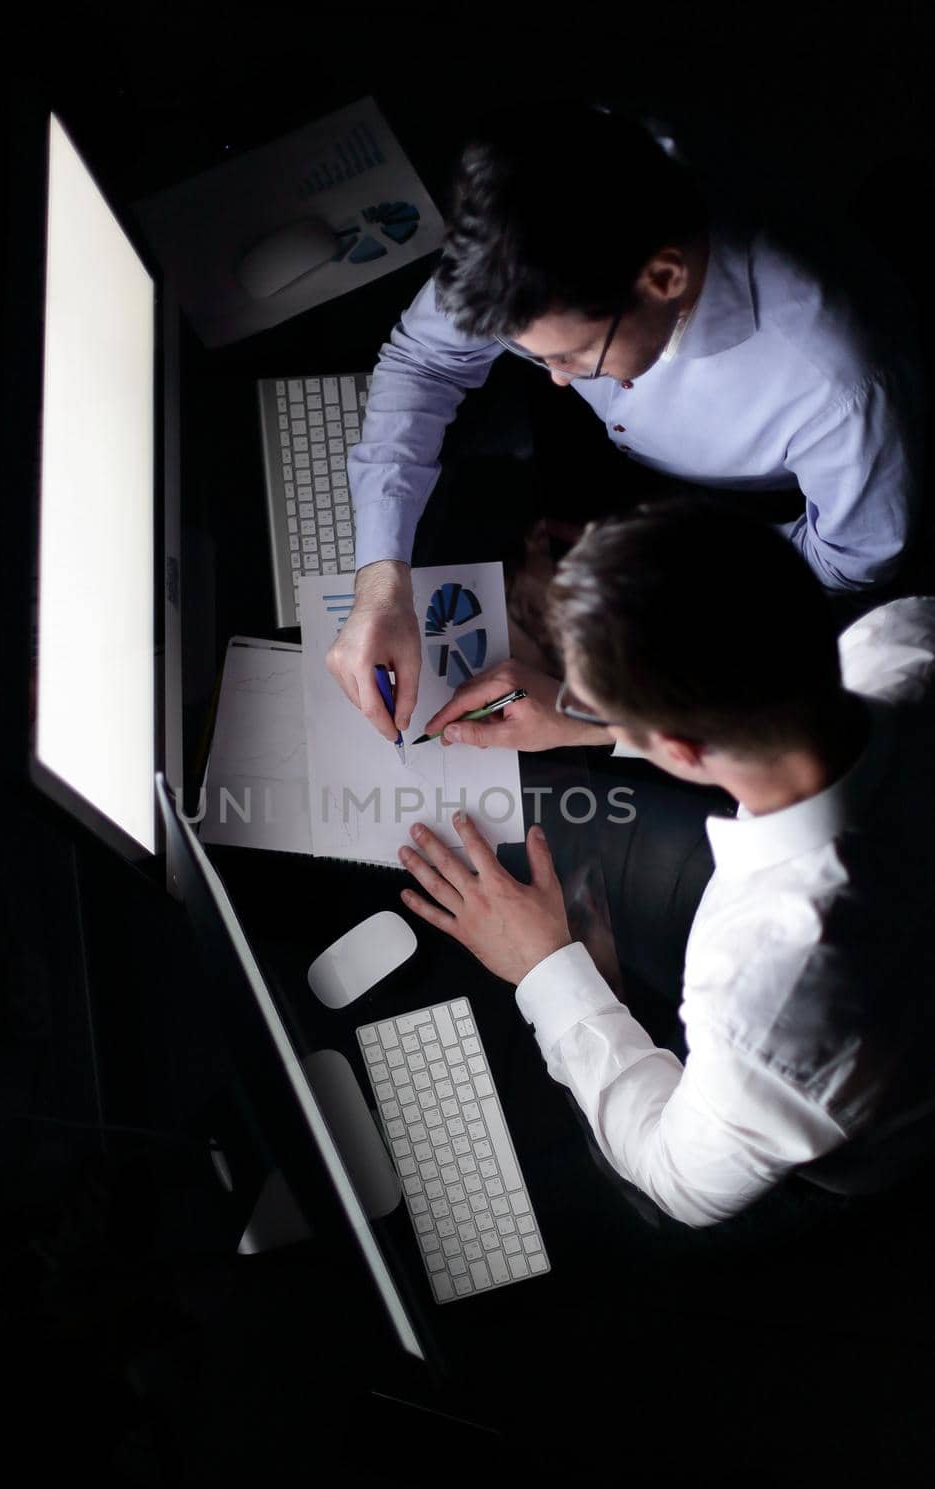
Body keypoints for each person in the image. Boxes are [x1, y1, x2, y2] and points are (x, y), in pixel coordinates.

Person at [392, 501, 935, 1227]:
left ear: (675, 748)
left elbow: (676, 1182)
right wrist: (578, 714)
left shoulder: (763, 998)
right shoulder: (902, 636)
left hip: (863, 1127)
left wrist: (542, 965)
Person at [327, 102, 926, 743]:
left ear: (663, 278)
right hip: (617, 476)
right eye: (529, 352)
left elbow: (848, 563)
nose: (555, 376)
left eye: (571, 354)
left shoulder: (841, 390)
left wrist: (650, 571)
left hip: (761, 528)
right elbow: (425, 361)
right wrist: (382, 581)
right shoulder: (532, 221)